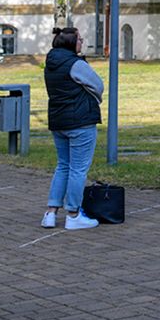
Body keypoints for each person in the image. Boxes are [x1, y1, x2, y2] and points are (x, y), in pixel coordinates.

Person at [42, 26, 103, 231]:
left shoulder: (50, 63)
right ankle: (74, 214)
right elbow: (98, 85)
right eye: (79, 39)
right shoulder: (75, 64)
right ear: (71, 42)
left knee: (63, 166)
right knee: (78, 169)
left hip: (58, 121)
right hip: (80, 122)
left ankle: (51, 213)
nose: (82, 42)